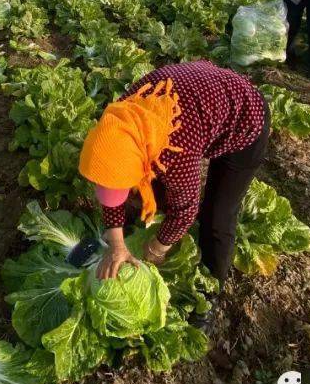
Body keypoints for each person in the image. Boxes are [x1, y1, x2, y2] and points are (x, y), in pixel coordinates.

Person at [78, 61, 270, 331]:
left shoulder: (174, 151)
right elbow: (112, 184)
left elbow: (186, 210)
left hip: (246, 120)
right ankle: (129, 236)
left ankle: (210, 292)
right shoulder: (118, 122)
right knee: (149, 192)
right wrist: (117, 246)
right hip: (202, 103)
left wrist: (157, 248)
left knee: (217, 215)